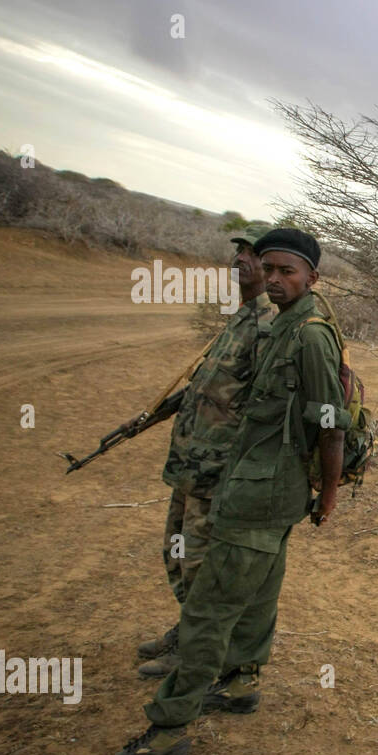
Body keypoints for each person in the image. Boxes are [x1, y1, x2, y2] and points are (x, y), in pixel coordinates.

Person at [86, 229, 346, 755]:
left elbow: (329, 422)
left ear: (312, 278)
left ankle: (165, 734)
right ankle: (240, 684)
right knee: (256, 594)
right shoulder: (285, 323)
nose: (274, 280)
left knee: (208, 610)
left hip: (263, 494)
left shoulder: (310, 335)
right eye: (267, 269)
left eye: (286, 272)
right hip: (257, 485)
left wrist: (329, 493)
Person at [136, 226, 276, 678]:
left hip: (218, 473)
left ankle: (200, 656)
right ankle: (187, 631)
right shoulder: (241, 316)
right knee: (176, 553)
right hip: (190, 466)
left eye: (251, 255)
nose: (240, 261)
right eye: (238, 253)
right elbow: (212, 387)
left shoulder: (268, 325)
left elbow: (263, 409)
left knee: (201, 565)